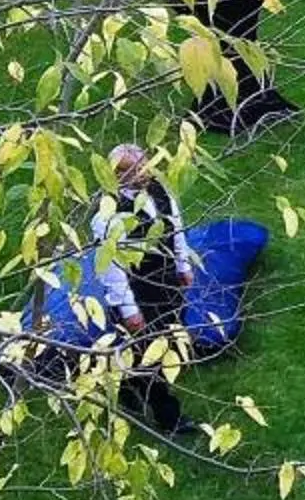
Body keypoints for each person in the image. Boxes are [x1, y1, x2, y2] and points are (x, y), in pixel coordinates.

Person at [42, 145, 196, 437]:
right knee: (148, 353)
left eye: (145, 164)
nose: (144, 172)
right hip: (136, 290)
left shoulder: (160, 191)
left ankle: (125, 385)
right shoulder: (108, 214)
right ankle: (169, 417)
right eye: (135, 170)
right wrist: (129, 311)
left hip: (165, 282)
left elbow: (176, 229)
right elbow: (111, 270)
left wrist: (183, 266)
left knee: (168, 337)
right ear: (117, 175)